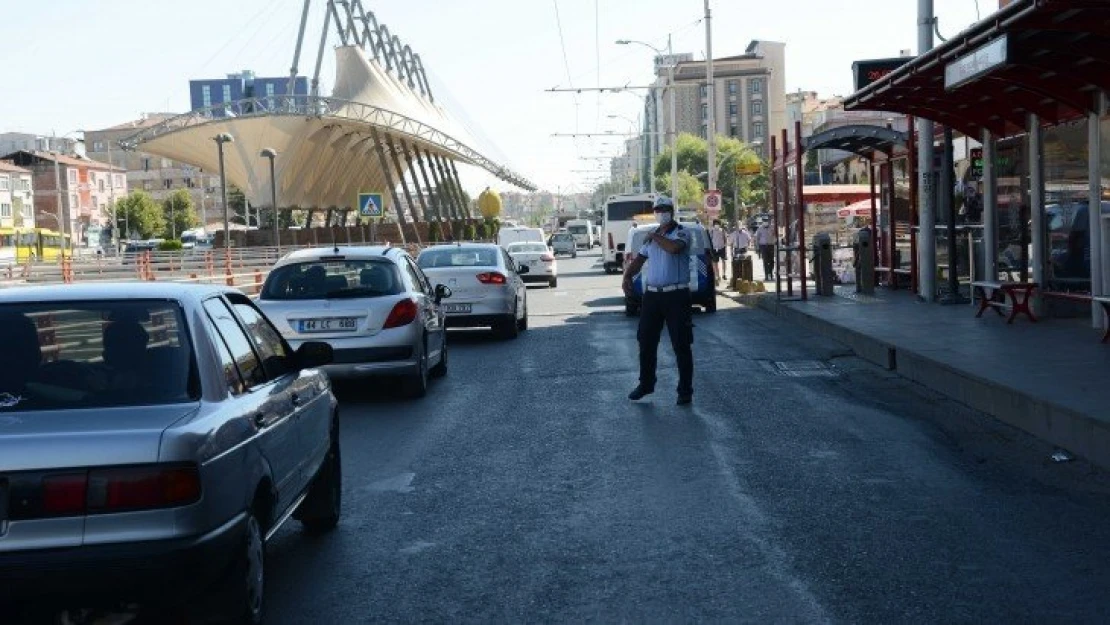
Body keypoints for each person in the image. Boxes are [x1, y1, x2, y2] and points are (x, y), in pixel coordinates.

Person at [622, 196, 695, 406]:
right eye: (658, 209)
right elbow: (639, 260)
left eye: (665, 209)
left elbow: (674, 249)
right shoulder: (652, 237)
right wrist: (627, 276)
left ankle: (685, 390)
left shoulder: (681, 232)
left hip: (676, 295)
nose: (661, 212)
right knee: (645, 340)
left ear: (672, 211)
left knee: (681, 344)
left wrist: (654, 236)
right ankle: (646, 383)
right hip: (653, 296)